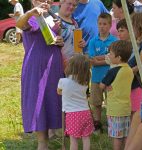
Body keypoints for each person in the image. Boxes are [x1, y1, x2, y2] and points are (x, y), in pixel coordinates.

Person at [16, 0, 64, 149]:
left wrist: (60, 41)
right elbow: (19, 24)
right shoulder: (31, 17)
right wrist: (31, 12)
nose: (43, 2)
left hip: (53, 64)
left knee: (52, 98)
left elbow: (55, 38)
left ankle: (51, 134)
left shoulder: (52, 16)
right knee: (39, 101)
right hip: (37, 66)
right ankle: (42, 142)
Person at [100, 40, 134, 150]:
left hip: (115, 110)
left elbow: (101, 86)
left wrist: (106, 86)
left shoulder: (113, 71)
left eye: (111, 54)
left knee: (116, 137)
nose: (109, 55)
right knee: (124, 135)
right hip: (126, 108)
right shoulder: (129, 69)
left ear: (118, 58)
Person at [124, 12, 142, 150]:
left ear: (139, 27)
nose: (131, 30)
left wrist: (122, 72)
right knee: (138, 117)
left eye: (132, 26)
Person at [57, 54, 94, 150]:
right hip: (85, 112)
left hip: (72, 114)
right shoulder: (84, 82)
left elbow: (59, 91)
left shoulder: (63, 81)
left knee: (73, 139)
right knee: (86, 138)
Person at [88, 13, 118, 131]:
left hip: (111, 78)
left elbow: (114, 59)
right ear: (97, 25)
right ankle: (97, 125)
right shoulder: (93, 41)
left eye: (105, 24)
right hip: (96, 77)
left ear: (110, 25)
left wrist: (100, 59)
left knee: (111, 102)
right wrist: (106, 58)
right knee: (96, 103)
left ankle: (112, 124)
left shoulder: (114, 41)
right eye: (100, 24)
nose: (102, 26)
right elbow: (92, 60)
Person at [117, 19, 142, 119]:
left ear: (130, 30)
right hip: (124, 84)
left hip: (136, 83)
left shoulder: (137, 46)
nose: (119, 33)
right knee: (127, 110)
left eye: (122, 30)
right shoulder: (118, 46)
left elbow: (137, 64)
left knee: (136, 110)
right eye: (118, 31)